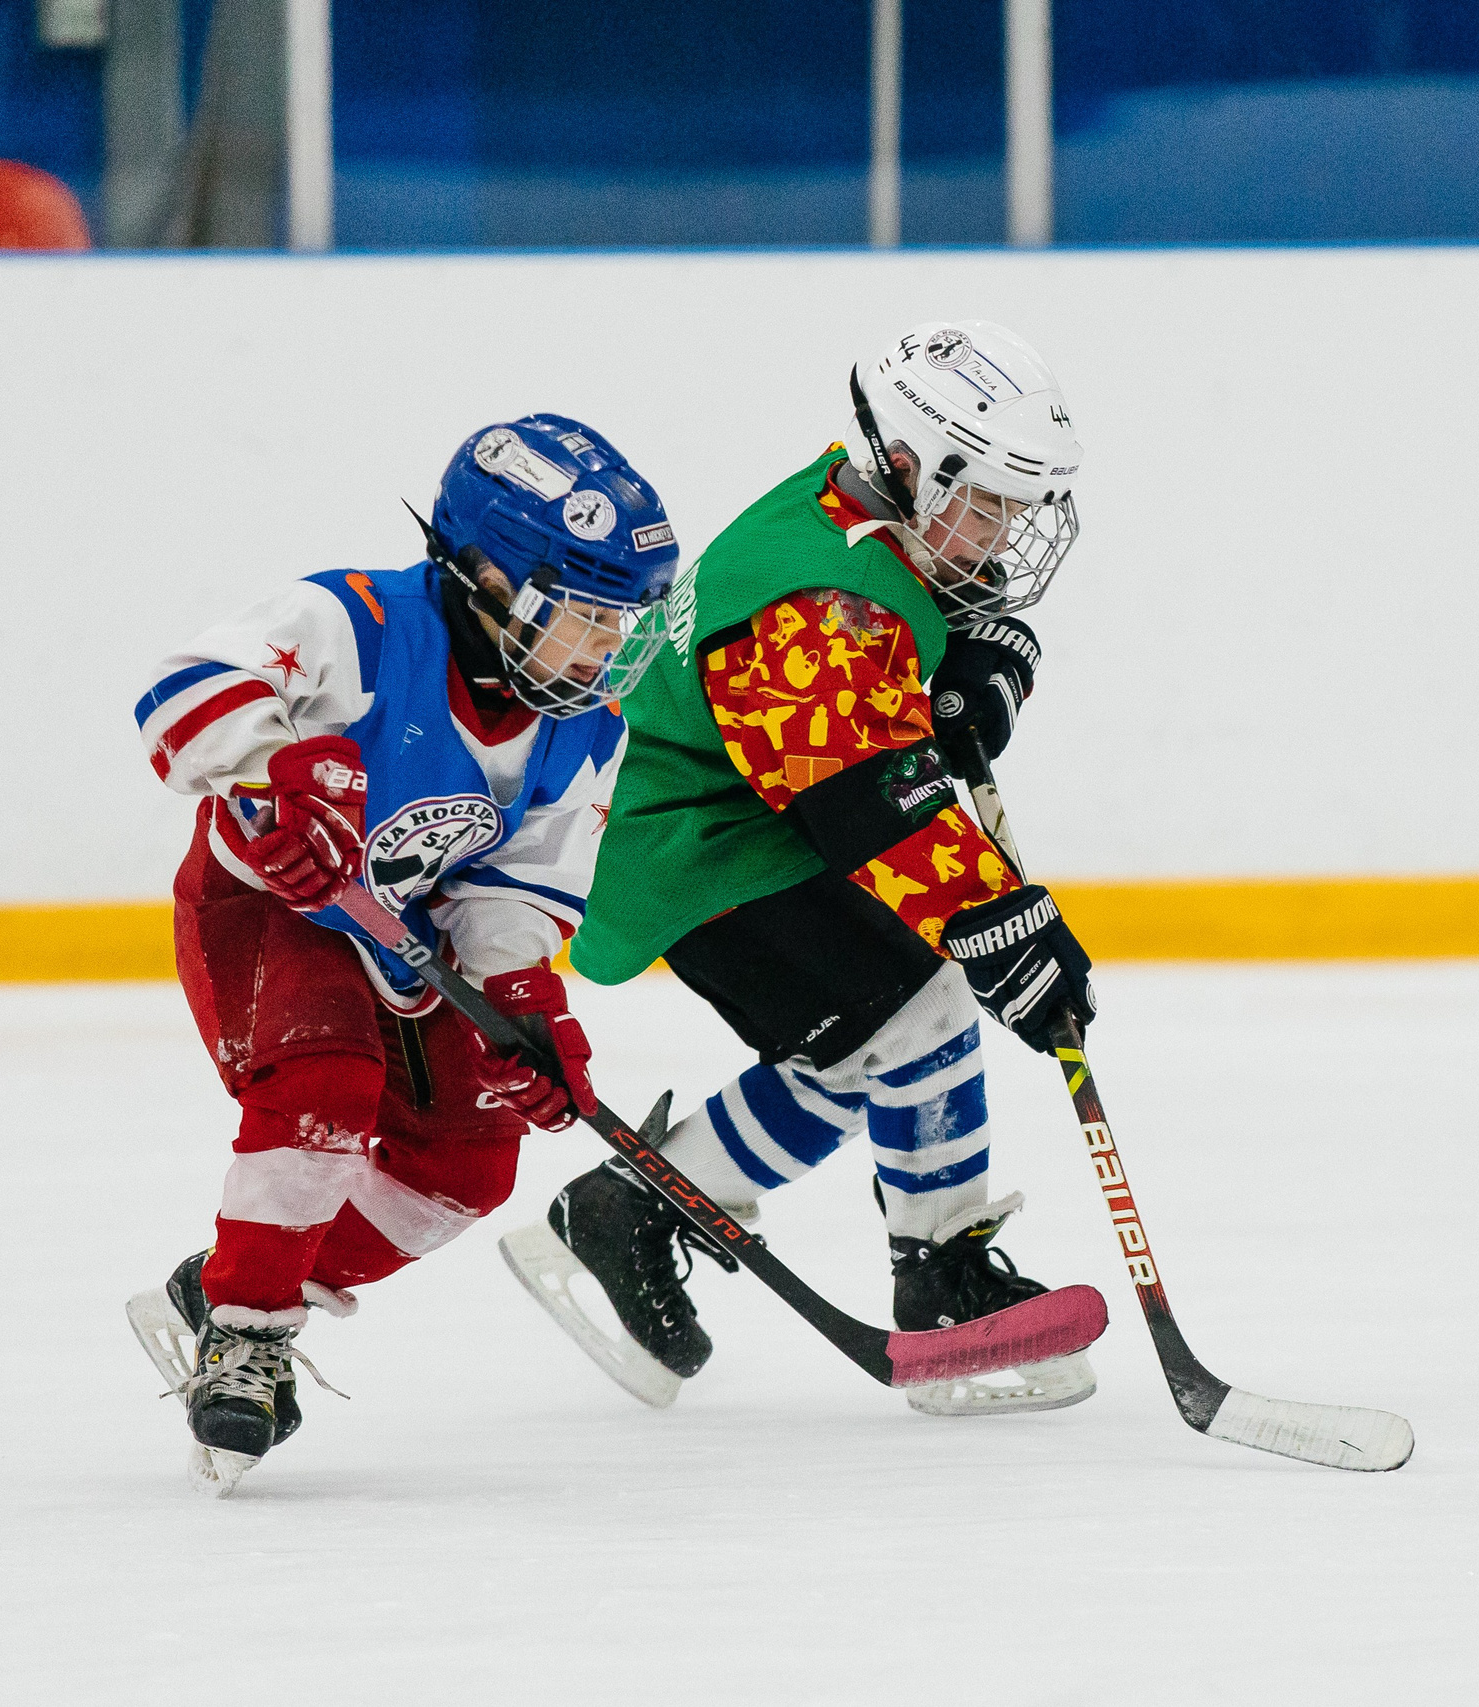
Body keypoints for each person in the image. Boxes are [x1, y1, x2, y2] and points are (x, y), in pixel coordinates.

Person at [502, 322, 1100, 1415]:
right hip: (684, 838)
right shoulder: (805, 613)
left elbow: (889, 677)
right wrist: (1007, 929)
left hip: (746, 805)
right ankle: (943, 1283)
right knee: (914, 1012)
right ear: (914, 464)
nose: (1007, 532)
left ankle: (634, 1208)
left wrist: (967, 672)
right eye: (992, 501)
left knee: (854, 1039)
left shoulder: (865, 503)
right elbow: (879, 810)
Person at [125, 415, 679, 1493]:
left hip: (402, 937)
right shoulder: (356, 623)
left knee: (468, 1164)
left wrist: (522, 996)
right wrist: (274, 765)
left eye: (622, 625)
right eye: (582, 619)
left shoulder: (583, 723)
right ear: (483, 579)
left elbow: (518, 880)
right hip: (265, 910)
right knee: (328, 1081)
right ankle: (249, 1334)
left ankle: (233, 1282)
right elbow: (177, 694)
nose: (606, 651)